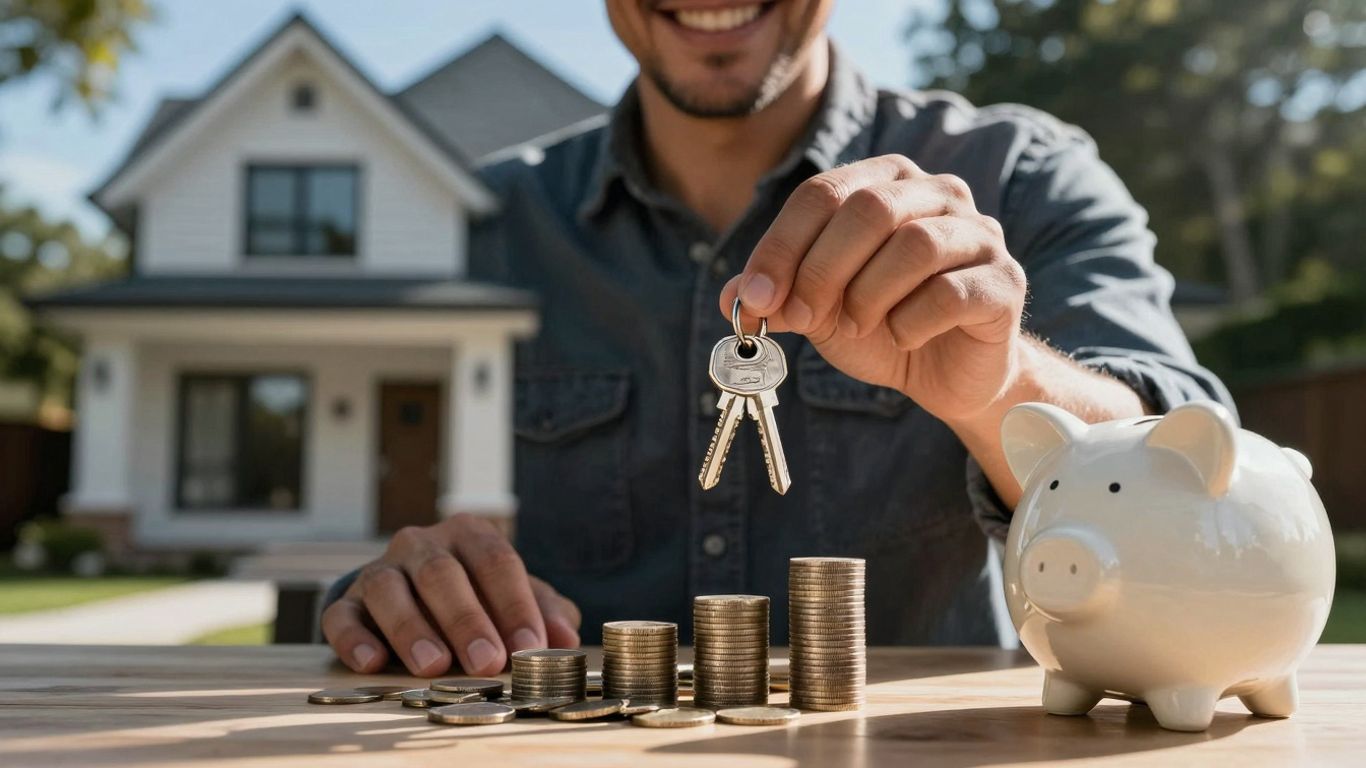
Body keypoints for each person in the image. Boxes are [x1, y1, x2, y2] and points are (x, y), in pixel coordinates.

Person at [321, 0, 1231, 678]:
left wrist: (998, 383)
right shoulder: (483, 224)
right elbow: (395, 498)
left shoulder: (1024, 179)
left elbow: (1196, 478)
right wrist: (407, 593)